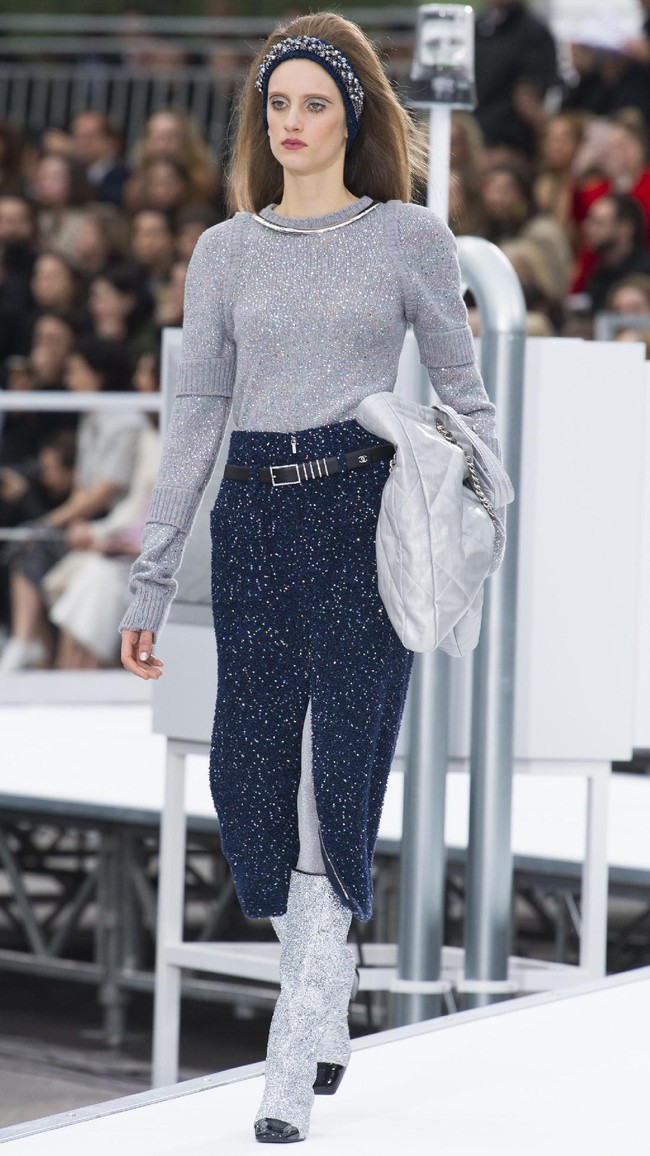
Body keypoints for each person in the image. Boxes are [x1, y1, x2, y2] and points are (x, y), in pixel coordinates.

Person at [119, 11, 503, 1145]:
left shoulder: (405, 238)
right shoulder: (223, 249)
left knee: (339, 776)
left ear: (353, 118)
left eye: (314, 106)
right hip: (250, 521)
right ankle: (325, 984)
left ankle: (291, 1061)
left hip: (359, 511)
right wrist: (149, 577)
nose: (292, 124)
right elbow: (194, 414)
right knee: (244, 779)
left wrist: (481, 509)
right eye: (277, 106)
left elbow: (463, 392)